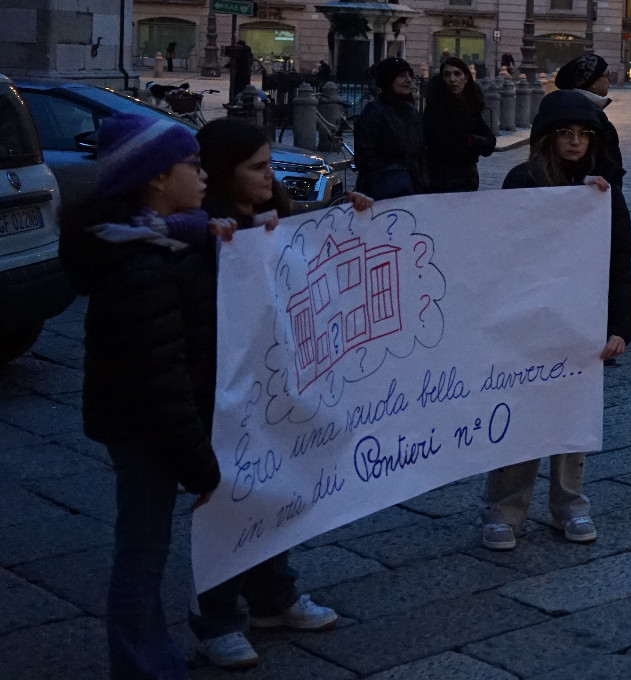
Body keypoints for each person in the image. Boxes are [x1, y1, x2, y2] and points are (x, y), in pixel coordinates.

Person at [59, 114, 221, 680]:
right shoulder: (142, 264)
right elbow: (160, 380)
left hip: (147, 420)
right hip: (145, 426)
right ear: (155, 177)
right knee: (143, 551)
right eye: (193, 166)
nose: (204, 177)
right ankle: (141, 666)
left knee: (144, 543)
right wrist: (201, 469)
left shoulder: (172, 238)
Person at [193, 119, 350, 667]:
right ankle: (218, 617)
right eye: (257, 167)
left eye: (269, 164)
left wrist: (352, 215)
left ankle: (273, 595)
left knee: (275, 484)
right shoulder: (198, 232)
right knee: (227, 493)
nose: (269, 175)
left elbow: (314, 249)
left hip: (276, 375)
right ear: (220, 173)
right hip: (218, 384)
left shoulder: (275, 214)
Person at [486, 91, 631, 549]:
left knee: (572, 416)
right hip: (529, 318)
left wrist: (621, 326)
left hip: (581, 319)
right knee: (523, 414)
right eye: (566, 134)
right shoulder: (521, 180)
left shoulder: (604, 188)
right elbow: (497, 248)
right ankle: (503, 509)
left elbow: (620, 260)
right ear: (548, 137)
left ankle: (569, 505)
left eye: (583, 135)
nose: (575, 142)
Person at [421, 57, 496, 193]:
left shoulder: (472, 106)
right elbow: (442, 143)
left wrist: (471, 141)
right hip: (440, 178)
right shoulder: (435, 107)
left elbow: (490, 142)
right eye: (447, 74)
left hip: (467, 177)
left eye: (457, 74)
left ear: (466, 78)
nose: (452, 79)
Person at [353, 57, 424, 199]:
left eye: (409, 75)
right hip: (382, 191)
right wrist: (392, 174)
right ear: (388, 80)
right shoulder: (374, 111)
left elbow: (421, 152)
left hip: (412, 190)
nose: (409, 80)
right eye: (401, 75)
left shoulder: (411, 112)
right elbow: (365, 156)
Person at [555, 52, 625, 185]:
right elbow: (609, 169)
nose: (609, 79)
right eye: (606, 75)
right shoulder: (591, 116)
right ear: (592, 82)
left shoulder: (562, 107)